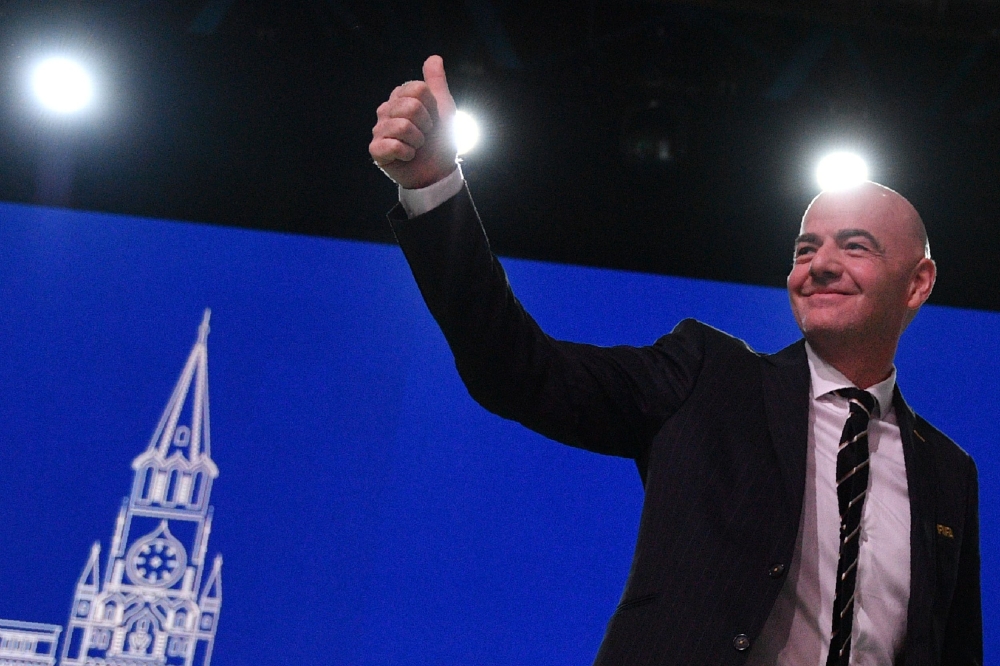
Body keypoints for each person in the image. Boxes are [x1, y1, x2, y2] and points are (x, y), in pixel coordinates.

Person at [369, 56, 981, 665]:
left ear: (917, 283)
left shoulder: (949, 475)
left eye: (855, 246)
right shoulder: (708, 377)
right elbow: (520, 370)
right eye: (805, 248)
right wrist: (432, 186)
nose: (819, 264)